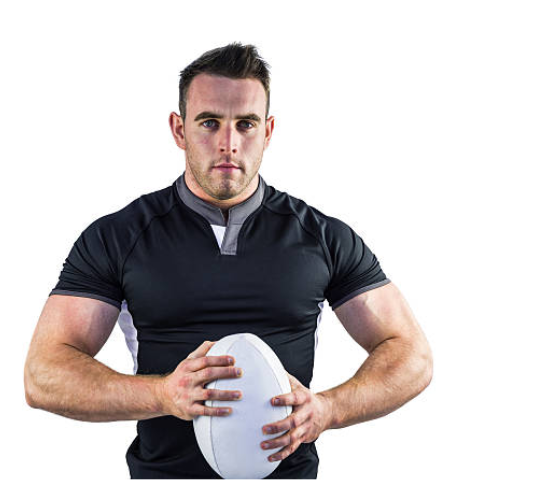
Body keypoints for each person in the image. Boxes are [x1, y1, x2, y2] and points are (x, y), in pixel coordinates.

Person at [24, 42, 433, 479]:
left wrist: (328, 409)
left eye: (246, 124)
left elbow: (412, 355)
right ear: (178, 130)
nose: (228, 144)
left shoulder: (322, 236)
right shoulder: (118, 237)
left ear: (268, 131)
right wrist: (162, 394)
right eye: (209, 122)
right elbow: (43, 374)